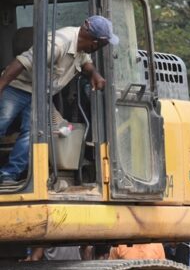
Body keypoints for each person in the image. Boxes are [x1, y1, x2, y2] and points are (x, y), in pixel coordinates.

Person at [0, 16, 117, 184]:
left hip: (39, 95)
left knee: (33, 133)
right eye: (104, 44)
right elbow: (21, 62)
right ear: (96, 42)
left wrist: (94, 74)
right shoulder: (57, 44)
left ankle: (8, 175)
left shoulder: (81, 47)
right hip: (17, 89)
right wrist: (1, 86)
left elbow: (85, 62)